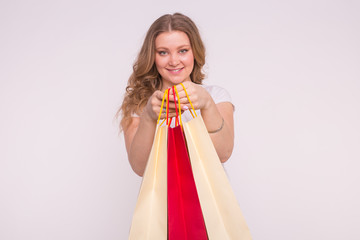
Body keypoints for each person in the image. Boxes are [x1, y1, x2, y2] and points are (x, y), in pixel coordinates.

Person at [118, 13, 234, 177]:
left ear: (195, 52)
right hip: (163, 201)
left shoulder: (216, 96)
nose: (173, 61)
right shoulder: (140, 105)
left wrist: (207, 104)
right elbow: (140, 168)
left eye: (183, 51)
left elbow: (223, 154)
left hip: (210, 202)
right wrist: (149, 117)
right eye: (163, 52)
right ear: (152, 56)